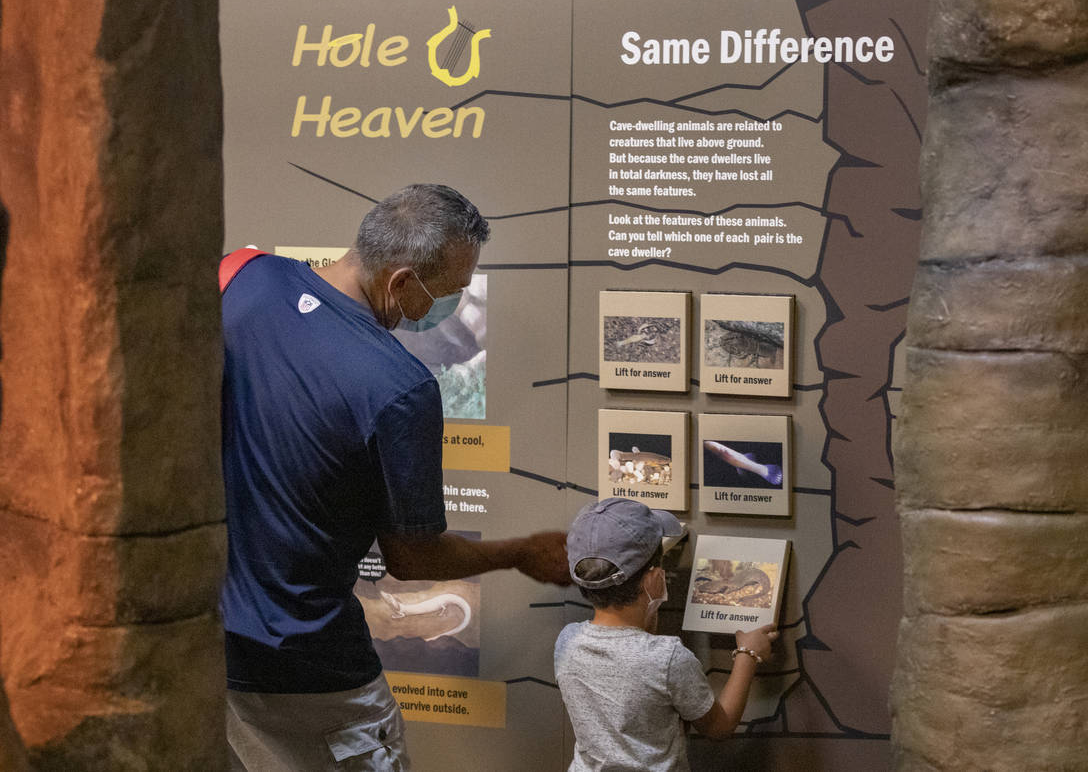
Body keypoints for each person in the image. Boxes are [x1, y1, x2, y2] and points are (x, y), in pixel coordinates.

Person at [220, 183, 570, 771]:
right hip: (313, 665)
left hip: (212, 645)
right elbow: (412, 558)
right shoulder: (399, 388)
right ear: (403, 282)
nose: (452, 304)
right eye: (451, 291)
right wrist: (519, 553)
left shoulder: (242, 274)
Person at [555, 498, 778, 772]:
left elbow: (631, 652)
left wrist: (644, 585)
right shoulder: (668, 658)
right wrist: (748, 653)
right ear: (654, 578)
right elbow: (719, 726)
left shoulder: (567, 642)